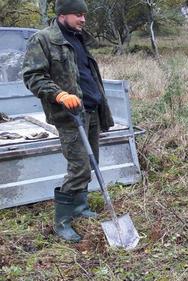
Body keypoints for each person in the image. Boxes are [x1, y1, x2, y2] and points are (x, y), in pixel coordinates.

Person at [22, 0, 114, 242]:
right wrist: (59, 94)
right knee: (79, 168)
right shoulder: (43, 39)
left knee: (91, 163)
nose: (83, 19)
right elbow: (32, 76)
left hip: (92, 110)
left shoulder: (79, 38)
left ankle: (80, 207)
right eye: (77, 14)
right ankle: (62, 221)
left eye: (84, 15)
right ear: (62, 14)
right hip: (70, 116)